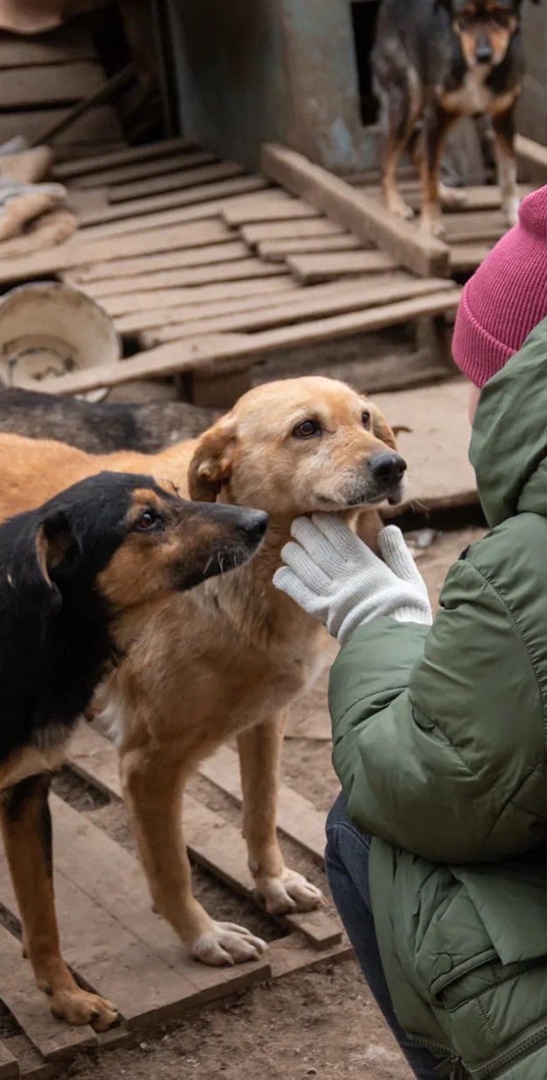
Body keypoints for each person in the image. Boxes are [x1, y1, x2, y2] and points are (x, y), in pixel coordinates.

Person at [273, 186, 547, 1080]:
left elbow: (436, 790)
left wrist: (384, 628)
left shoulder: (530, 562)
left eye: (482, 377)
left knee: (363, 825)